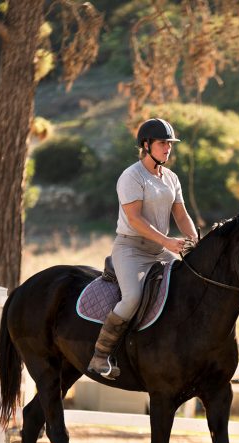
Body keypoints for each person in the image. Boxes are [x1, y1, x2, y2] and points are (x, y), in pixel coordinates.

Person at [88, 118, 198, 379]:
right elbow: (136, 220)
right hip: (130, 249)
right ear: (146, 145)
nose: (168, 148)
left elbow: (181, 215)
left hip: (159, 248)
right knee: (132, 297)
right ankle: (100, 355)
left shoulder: (171, 178)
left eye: (170, 144)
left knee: (189, 282)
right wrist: (168, 242)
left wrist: (195, 240)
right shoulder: (131, 176)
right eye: (162, 143)